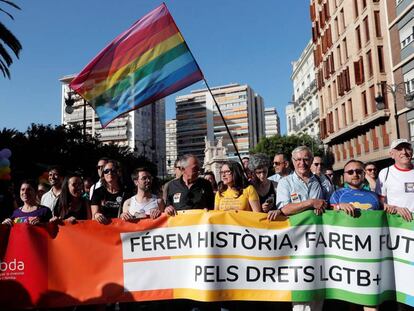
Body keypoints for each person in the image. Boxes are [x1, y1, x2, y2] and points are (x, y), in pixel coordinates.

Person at [271, 146, 326, 311]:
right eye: (298, 160)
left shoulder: (320, 181)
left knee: (318, 294)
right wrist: (311, 203)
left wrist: (322, 204)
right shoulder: (285, 182)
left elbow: (326, 203)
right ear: (292, 162)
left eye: (306, 159)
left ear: (311, 160)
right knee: (301, 297)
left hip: (317, 244)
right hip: (296, 245)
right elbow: (285, 209)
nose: (302, 163)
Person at [376, 138, 414, 224]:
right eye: (399, 149)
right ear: (392, 154)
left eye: (407, 148)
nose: (404, 152)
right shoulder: (385, 173)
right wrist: (395, 209)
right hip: (397, 225)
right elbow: (378, 203)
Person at [91, 160, 127, 224]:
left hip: (121, 227)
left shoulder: (126, 192)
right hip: (104, 229)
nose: (109, 173)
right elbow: (94, 214)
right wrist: (96, 215)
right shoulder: (97, 192)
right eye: (106, 171)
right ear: (103, 175)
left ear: (118, 173)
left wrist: (125, 215)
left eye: (113, 170)